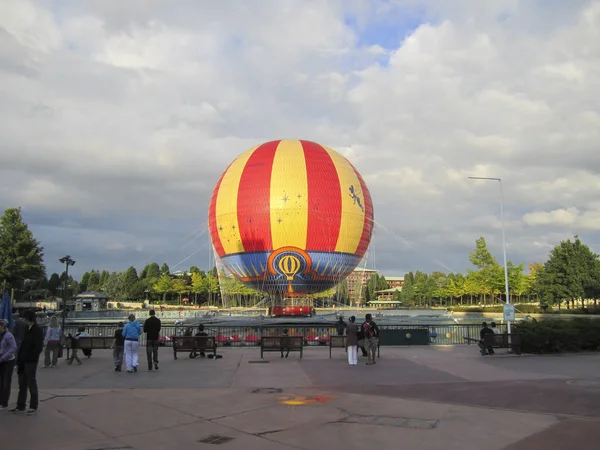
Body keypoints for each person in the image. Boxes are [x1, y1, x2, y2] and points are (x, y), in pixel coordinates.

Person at [10, 310, 43, 415]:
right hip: (22, 360)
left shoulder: (37, 330)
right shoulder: (26, 329)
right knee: (22, 383)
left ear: (28, 318)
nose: (23, 320)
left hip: (30, 361)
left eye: (24, 318)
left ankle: (33, 406)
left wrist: (31, 357)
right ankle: (20, 405)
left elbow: (38, 346)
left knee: (31, 382)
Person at [0, 319, 17, 410]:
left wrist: (4, 357)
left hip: (8, 361)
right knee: (1, 382)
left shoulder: (8, 335)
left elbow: (13, 347)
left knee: (5, 382)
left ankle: (4, 403)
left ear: (3, 326)